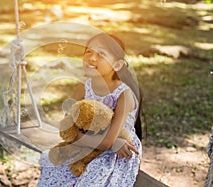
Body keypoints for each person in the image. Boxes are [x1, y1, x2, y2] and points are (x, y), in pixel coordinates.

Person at [38, 32, 142, 187]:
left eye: (101, 54)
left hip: (119, 149)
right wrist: (77, 137)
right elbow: (67, 128)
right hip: (90, 143)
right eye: (88, 52)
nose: (92, 58)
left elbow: (109, 142)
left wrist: (81, 137)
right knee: (51, 164)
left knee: (93, 176)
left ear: (117, 65)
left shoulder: (123, 94)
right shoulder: (83, 88)